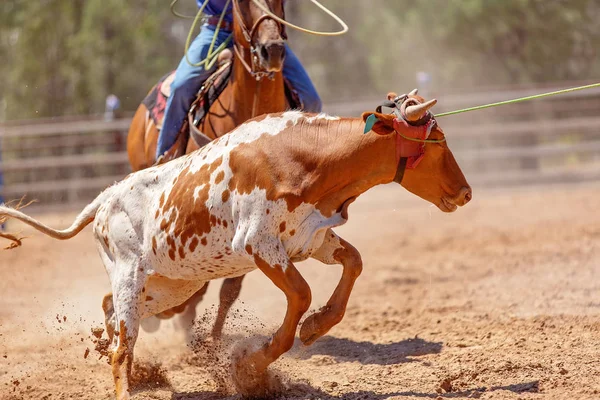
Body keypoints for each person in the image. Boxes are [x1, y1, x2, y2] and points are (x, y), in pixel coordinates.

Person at [156, 0, 322, 159]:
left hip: (262, 32)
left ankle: (312, 160)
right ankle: (166, 156)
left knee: (311, 99)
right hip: (218, 31)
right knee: (181, 86)